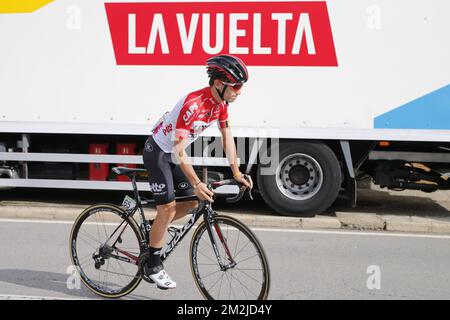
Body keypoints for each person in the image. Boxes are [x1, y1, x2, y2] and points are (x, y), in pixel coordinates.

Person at [142, 54, 253, 289]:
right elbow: (178, 149)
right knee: (169, 207)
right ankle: (152, 265)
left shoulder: (221, 104)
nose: (240, 91)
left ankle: (156, 227)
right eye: (237, 86)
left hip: (173, 154)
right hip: (159, 153)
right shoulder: (194, 104)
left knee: (192, 203)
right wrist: (196, 183)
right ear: (219, 84)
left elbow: (227, 137)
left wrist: (236, 172)